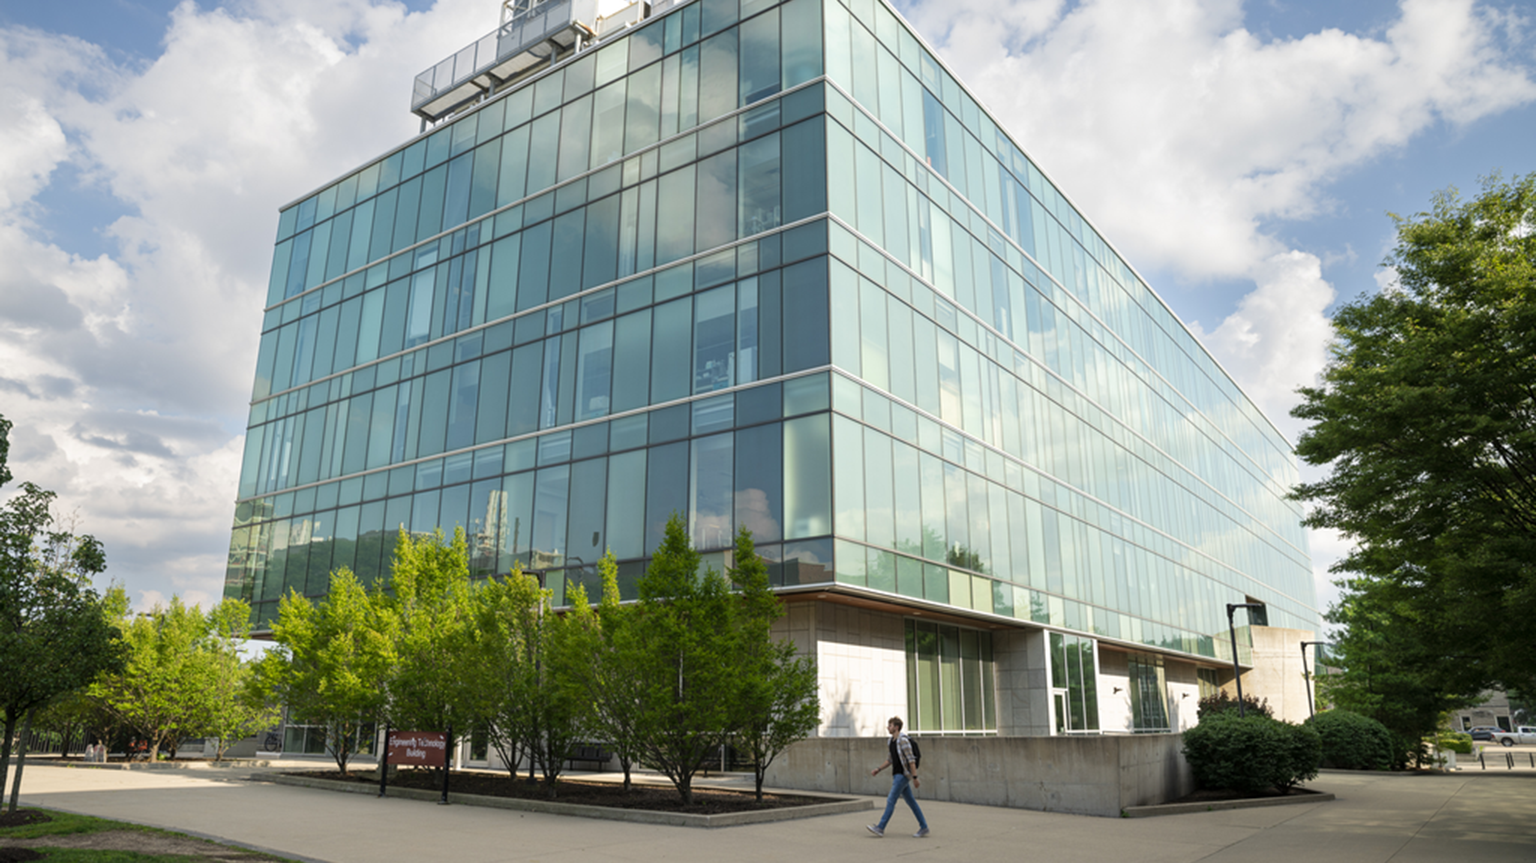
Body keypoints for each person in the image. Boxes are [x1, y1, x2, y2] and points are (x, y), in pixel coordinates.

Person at [867, 716, 929, 838]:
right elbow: (889, 760)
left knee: (891, 800)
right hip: (896, 776)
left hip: (903, 776)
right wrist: (878, 769)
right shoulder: (891, 741)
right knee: (911, 802)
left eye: (890, 725)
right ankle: (924, 827)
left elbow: (911, 760)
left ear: (896, 727)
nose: (887, 727)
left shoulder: (903, 741)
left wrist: (915, 777)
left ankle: (880, 827)